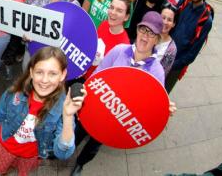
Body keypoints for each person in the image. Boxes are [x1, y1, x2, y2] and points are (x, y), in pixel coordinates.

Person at [70, 11, 176, 176]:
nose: (145, 36)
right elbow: (97, 75)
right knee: (79, 131)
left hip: (118, 117)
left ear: (157, 39)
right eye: (143, 30)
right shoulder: (119, 50)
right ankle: (68, 150)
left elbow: (152, 105)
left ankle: (80, 163)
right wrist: (82, 103)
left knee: (95, 143)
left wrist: (163, 109)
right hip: (98, 106)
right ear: (137, 30)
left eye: (152, 33)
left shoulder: (157, 71)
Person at [0, 47, 85, 176]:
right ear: (31, 72)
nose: (44, 80)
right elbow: (0, 116)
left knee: (5, 171)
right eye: (39, 72)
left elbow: (62, 153)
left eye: (53, 73)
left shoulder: (63, 108)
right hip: (4, 143)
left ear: (62, 75)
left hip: (29, 155)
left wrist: (68, 116)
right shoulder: (14, 93)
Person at [166, 0, 214, 92]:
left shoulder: (206, 20)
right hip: (164, 53)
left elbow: (192, 54)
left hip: (175, 65)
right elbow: (171, 24)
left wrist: (174, 64)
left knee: (162, 94)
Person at [84, 0, 132, 79]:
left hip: (94, 85)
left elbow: (114, 76)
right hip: (83, 74)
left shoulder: (124, 46)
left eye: (119, 10)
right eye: (111, 7)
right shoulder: (104, 24)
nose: (113, 12)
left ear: (126, 17)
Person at [156, 6, 177, 76]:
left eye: (169, 20)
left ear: (173, 24)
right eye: (163, 18)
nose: (165, 22)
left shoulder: (172, 49)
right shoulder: (146, 32)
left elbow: (163, 74)